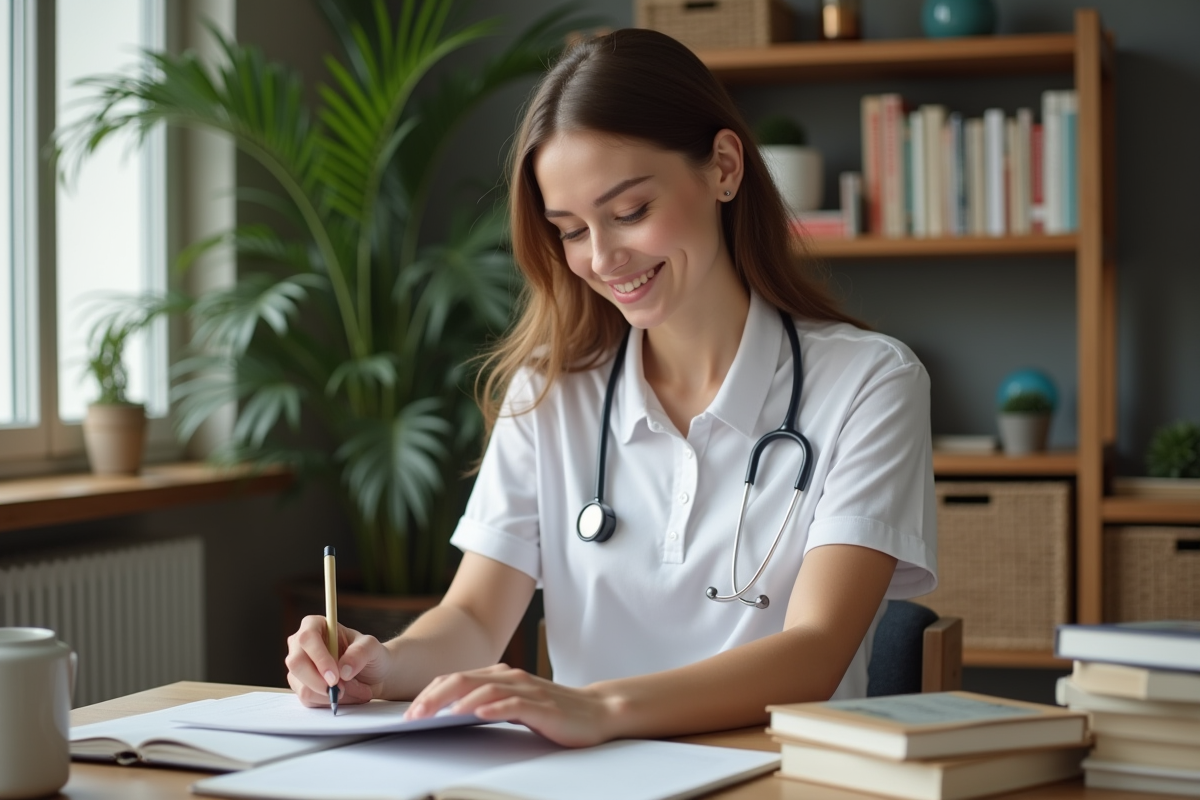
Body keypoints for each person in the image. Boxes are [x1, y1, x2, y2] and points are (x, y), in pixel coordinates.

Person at [285, 27, 936, 749]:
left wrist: (597, 708)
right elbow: (473, 618)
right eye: (569, 230)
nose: (601, 258)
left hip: (777, 781)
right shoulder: (550, 393)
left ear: (723, 167)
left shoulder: (871, 383)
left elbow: (816, 650)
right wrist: (381, 661)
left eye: (629, 213)